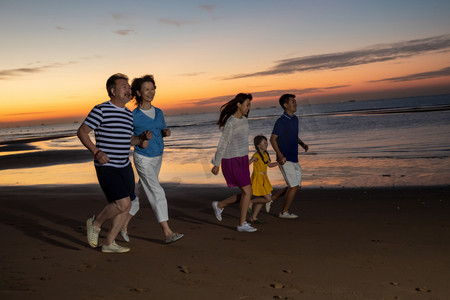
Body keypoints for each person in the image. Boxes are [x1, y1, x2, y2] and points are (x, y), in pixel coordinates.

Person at [77, 73, 150, 253]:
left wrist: (139, 140)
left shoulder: (128, 114)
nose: (129, 90)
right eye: (124, 86)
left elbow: (127, 140)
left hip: (124, 165)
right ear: (112, 91)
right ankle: (96, 223)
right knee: (123, 204)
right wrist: (96, 152)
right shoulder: (101, 110)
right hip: (107, 165)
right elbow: (82, 132)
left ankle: (109, 243)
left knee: (129, 204)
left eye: (128, 87)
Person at [120, 74, 184, 244]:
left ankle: (123, 224)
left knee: (138, 193)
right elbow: (128, 137)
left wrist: (166, 132)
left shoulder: (159, 112)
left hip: (158, 157)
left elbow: (161, 131)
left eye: (152, 88)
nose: (150, 92)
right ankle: (167, 232)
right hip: (143, 158)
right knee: (157, 191)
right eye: (146, 89)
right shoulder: (133, 115)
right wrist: (141, 139)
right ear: (139, 93)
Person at [211, 93, 257, 233]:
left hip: (242, 159)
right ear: (239, 104)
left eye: (250, 105)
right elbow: (223, 144)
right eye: (247, 104)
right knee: (247, 191)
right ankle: (241, 224)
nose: (249, 108)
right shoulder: (230, 122)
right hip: (232, 160)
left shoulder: (244, 120)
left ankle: (220, 205)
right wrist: (216, 164)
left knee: (247, 192)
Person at [270, 94, 309, 219]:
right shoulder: (281, 121)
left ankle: (272, 198)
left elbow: (293, 136)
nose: (295, 103)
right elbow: (273, 139)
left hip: (294, 157)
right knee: (293, 186)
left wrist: (302, 143)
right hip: (284, 158)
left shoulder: (295, 119)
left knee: (297, 186)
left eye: (295, 101)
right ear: (286, 105)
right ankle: (284, 212)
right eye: (292, 102)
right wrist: (280, 155)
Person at [248, 135, 288, 223]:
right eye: (264, 143)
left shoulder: (266, 154)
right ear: (258, 145)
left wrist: (279, 163)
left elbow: (269, 165)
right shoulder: (256, 155)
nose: (266, 144)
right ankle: (250, 202)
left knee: (262, 199)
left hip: (264, 179)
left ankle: (253, 217)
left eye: (267, 143)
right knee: (268, 198)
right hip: (258, 178)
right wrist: (252, 160)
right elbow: (247, 164)